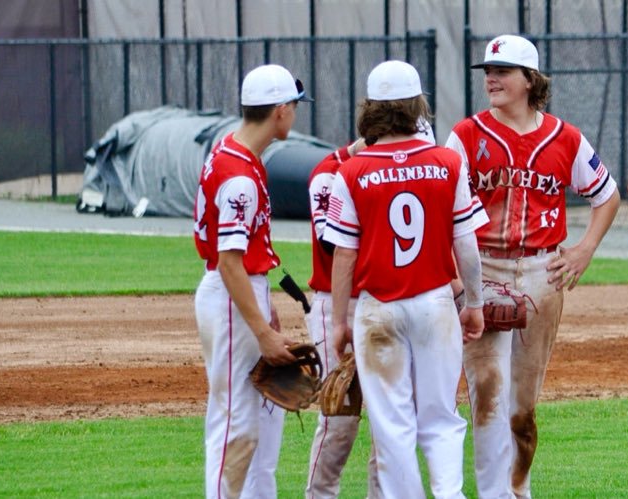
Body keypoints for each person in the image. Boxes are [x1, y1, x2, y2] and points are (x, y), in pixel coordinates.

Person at [446, 34, 620, 498]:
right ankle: (493, 493)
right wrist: (459, 280)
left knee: (522, 407)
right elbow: (443, 210)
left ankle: (519, 488)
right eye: (488, 71)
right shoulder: (466, 135)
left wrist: (584, 249)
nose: (491, 78)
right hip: (482, 267)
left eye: (502, 71)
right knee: (486, 388)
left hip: (542, 274)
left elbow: (607, 195)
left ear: (530, 80)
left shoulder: (566, 138)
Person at [322, 60, 489, 499]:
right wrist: (474, 303)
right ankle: (449, 495)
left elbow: (344, 253)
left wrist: (338, 320)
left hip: (378, 309)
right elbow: (466, 244)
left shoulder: (351, 171)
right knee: (441, 416)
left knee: (391, 424)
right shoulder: (448, 162)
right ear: (418, 106)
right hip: (434, 302)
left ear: (371, 108)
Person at [303, 96, 437, 499]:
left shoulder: (415, 171)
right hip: (338, 303)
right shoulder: (329, 174)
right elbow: (334, 246)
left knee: (392, 423)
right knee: (340, 418)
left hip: (391, 306)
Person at [192, 63, 311, 499]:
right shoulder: (240, 177)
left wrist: (264, 306)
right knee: (236, 424)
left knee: (255, 420)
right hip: (230, 296)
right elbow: (229, 263)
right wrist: (261, 330)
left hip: (240, 293)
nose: (295, 113)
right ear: (279, 111)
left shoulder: (232, 149)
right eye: (294, 106)